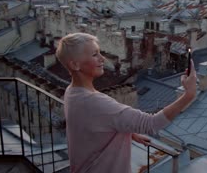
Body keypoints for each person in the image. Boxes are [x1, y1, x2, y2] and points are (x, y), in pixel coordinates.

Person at [55, 33, 197, 173]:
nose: (102, 58)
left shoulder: (72, 92)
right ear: (75, 64)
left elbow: (95, 126)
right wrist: (188, 95)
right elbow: (151, 123)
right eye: (94, 55)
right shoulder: (96, 103)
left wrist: (129, 132)